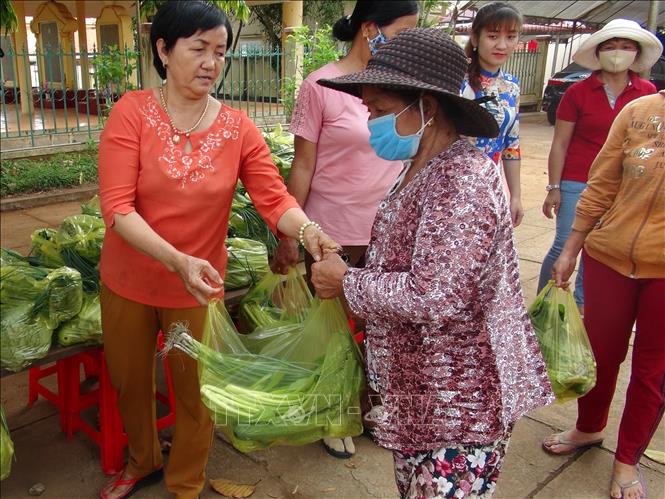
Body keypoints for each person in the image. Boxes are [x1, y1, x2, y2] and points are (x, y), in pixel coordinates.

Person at [97, 2, 340, 498]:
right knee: (130, 381)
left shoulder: (238, 128)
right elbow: (118, 208)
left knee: (195, 392)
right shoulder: (132, 112)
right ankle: (142, 460)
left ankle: (185, 483)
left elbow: (274, 198)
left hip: (197, 286)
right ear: (164, 50)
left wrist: (308, 229)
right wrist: (175, 259)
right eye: (199, 48)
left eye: (221, 51)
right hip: (129, 279)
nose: (212, 62)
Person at [312, 28, 554, 498]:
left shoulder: (461, 180)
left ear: (426, 107)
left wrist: (347, 281)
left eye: (380, 111)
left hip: (461, 404)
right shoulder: (422, 165)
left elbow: (434, 294)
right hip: (424, 396)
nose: (372, 124)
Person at [271, 0, 419, 459]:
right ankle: (334, 415)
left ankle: (374, 406)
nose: (408, 43)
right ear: (370, 29)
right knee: (333, 332)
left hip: (387, 231)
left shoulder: (403, 87)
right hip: (330, 231)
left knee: (380, 329)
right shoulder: (322, 85)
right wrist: (288, 234)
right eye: (403, 32)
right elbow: (303, 164)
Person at [542, 91, 665, 499]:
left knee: (653, 372)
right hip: (609, 256)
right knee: (600, 353)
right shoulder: (639, 111)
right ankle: (589, 427)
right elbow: (602, 183)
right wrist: (571, 248)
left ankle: (628, 458)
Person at [537, 19, 660, 315]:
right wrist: (554, 187)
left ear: (636, 53)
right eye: (610, 46)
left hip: (626, 187)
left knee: (598, 251)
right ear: (598, 52)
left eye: (626, 46)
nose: (618, 52)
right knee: (565, 244)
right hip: (578, 180)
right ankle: (543, 306)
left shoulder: (647, 92)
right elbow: (561, 144)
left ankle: (581, 310)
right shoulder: (578, 92)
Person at [461, 2, 524, 227]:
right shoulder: (457, 81)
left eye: (511, 37)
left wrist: (515, 195)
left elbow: (511, 145)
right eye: (493, 35)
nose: (502, 45)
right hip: (454, 186)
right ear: (476, 38)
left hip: (492, 186)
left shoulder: (512, 86)